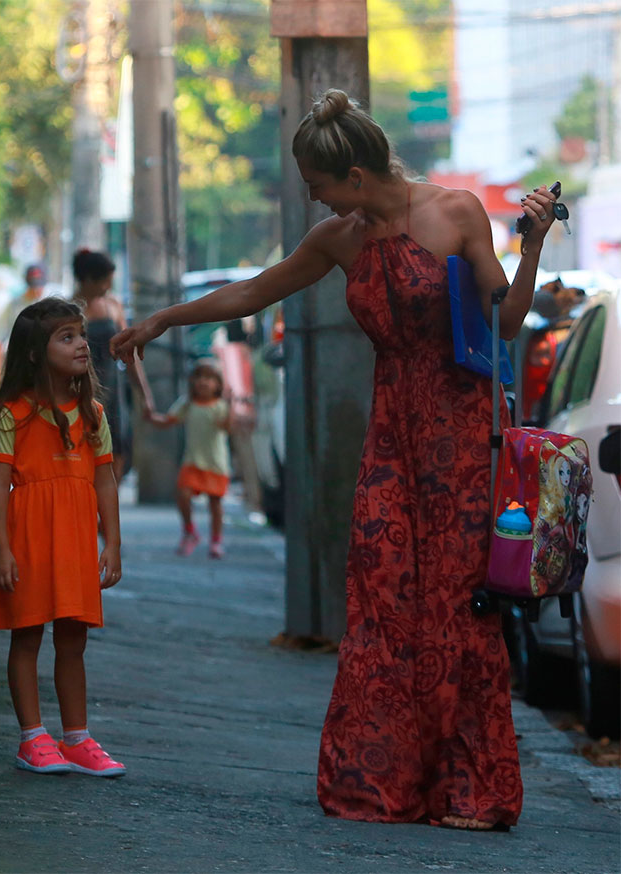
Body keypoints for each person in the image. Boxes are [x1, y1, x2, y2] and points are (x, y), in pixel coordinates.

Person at [110, 89, 560, 828]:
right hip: (391, 436)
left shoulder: (454, 212)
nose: (311, 197)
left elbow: (504, 321)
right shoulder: (339, 237)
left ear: (354, 172)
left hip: (459, 435)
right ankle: (381, 783)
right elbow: (256, 291)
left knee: (454, 608)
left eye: (316, 184)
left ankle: (471, 792)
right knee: (381, 596)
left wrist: (530, 245)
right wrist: (162, 318)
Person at [0, 297, 125, 777]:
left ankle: (77, 738)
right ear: (35, 354)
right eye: (67, 337)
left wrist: (113, 543)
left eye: (81, 334)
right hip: (28, 542)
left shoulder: (94, 415)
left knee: (73, 639)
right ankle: (31, 737)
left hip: (75, 543)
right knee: (26, 637)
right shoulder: (12, 414)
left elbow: (105, 480)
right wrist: (1, 549)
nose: (82, 343)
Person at [72, 249, 155, 484]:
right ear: (88, 279)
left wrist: (144, 394)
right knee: (83, 449)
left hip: (111, 387)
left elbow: (129, 353)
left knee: (116, 450)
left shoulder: (113, 305)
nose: (108, 287)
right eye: (105, 281)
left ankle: (106, 513)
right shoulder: (68, 308)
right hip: (79, 388)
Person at [148, 361, 231, 558]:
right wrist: (151, 417)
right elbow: (168, 420)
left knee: (215, 504)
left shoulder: (221, 406)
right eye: (199, 377)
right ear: (192, 382)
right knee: (183, 494)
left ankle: (216, 541)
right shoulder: (187, 404)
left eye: (209, 378)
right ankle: (190, 531)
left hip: (216, 463)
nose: (203, 382)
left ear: (218, 385)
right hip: (192, 461)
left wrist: (232, 404)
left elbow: (226, 427)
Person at [0, 264, 47, 391]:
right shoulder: (14, 305)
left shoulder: (49, 307)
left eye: (39, 285)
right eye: (33, 285)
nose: (36, 290)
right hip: (17, 367)